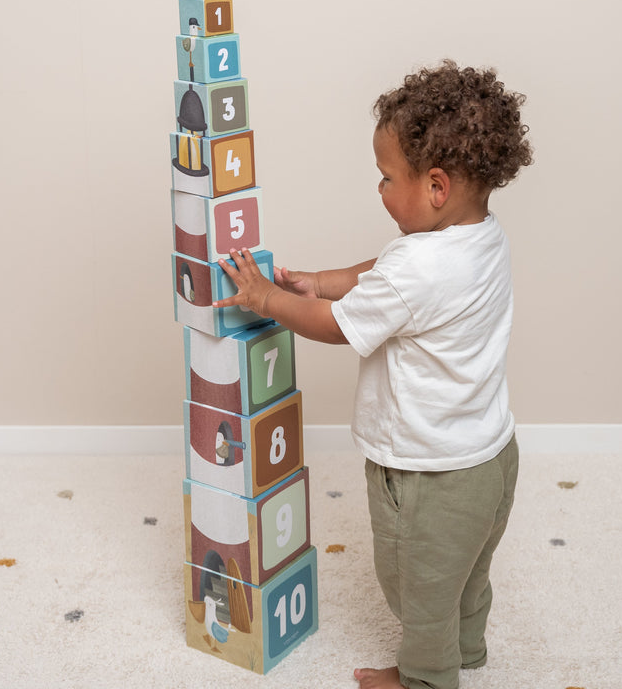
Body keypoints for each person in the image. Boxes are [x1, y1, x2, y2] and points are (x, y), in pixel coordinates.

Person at [213, 60, 533, 689]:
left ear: (435, 187)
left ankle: (425, 677)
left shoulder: (419, 272)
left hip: (429, 475)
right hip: (491, 458)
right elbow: (383, 270)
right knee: (467, 572)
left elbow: (338, 325)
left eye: (387, 178)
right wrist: (318, 282)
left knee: (418, 585)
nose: (380, 191)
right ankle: (468, 645)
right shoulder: (479, 238)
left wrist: (269, 300)